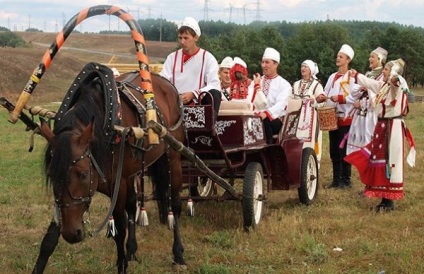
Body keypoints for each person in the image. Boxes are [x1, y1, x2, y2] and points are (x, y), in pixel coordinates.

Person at [345, 59, 415, 212]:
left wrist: (395, 77)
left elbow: (398, 82)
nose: (383, 71)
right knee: (380, 160)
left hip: (392, 127)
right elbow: (370, 83)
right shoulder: (383, 87)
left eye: (386, 70)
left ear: (393, 73)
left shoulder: (394, 87)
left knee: (390, 161)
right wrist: (356, 74)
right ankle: (384, 197)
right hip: (383, 125)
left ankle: (389, 201)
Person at [160, 16, 221, 122]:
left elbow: (214, 84)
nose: (182, 42)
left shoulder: (207, 58)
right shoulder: (172, 58)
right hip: (175, 103)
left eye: (186, 38)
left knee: (215, 93)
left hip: (198, 103)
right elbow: (163, 80)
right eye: (180, 38)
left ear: (196, 38)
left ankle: (209, 129)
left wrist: (193, 94)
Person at [325, 44, 361, 189]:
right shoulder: (333, 77)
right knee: (334, 149)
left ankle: (346, 180)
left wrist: (339, 98)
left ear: (348, 60)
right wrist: (323, 97)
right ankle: (336, 180)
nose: (337, 58)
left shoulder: (352, 78)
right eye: (338, 56)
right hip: (332, 118)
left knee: (344, 150)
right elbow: (326, 92)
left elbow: (355, 96)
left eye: (341, 56)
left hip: (346, 118)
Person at [346, 47, 388, 155]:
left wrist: (362, 104)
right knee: (360, 149)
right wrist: (360, 89)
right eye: (370, 56)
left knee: (371, 146)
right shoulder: (368, 74)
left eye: (372, 57)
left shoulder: (383, 77)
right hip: (361, 115)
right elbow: (355, 93)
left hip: (372, 115)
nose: (370, 59)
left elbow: (379, 98)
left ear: (380, 59)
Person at [247, 47, 291, 144]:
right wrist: (256, 85)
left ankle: (268, 149)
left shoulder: (284, 84)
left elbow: (281, 105)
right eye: (262, 62)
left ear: (275, 64)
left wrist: (266, 113)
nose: (263, 65)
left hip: (274, 119)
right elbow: (249, 98)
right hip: (256, 116)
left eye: (267, 62)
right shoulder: (257, 81)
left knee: (264, 120)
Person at [292, 60, 326, 163]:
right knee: (296, 139)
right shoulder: (296, 84)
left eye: (305, 67)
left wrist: (314, 101)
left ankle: (311, 162)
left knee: (310, 141)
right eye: (302, 66)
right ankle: (297, 161)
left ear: (311, 70)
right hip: (297, 117)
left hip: (311, 119)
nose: (303, 69)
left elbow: (322, 101)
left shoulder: (316, 85)